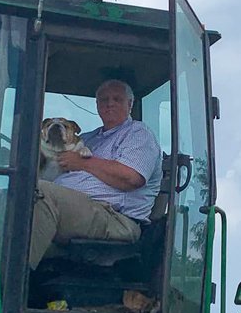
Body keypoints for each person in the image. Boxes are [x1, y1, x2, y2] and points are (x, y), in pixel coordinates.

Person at [29, 79, 162, 270]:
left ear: (130, 104)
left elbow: (131, 177)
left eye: (117, 99)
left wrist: (82, 163)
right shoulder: (88, 138)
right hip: (81, 211)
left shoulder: (138, 133)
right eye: (104, 99)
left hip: (115, 218)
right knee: (18, 192)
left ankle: (11, 283)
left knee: (41, 194)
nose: (110, 103)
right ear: (97, 105)